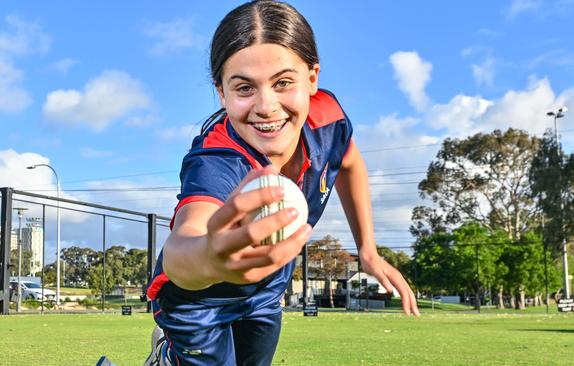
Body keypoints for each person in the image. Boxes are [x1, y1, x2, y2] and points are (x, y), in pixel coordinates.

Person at [145, 1, 419, 365]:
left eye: (283, 83)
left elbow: (349, 161)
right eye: (244, 88)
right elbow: (184, 243)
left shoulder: (327, 117)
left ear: (312, 77)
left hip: (267, 288)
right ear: (221, 91)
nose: (266, 106)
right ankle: (167, 354)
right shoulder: (217, 159)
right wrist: (210, 256)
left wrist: (367, 250)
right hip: (200, 301)